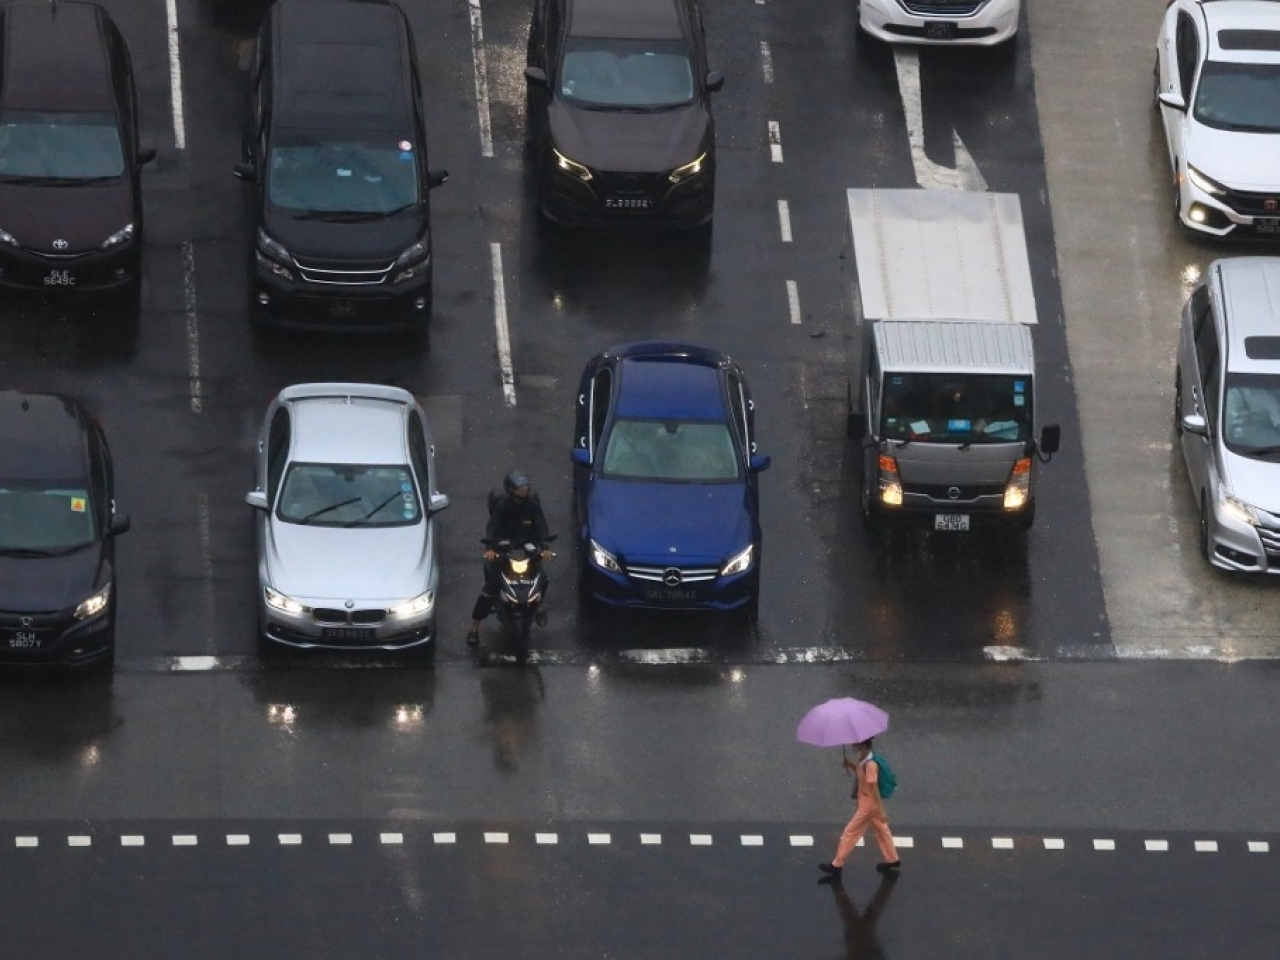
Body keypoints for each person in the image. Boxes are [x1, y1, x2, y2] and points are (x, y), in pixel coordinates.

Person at [466, 470, 552, 644]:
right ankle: (475, 627)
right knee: (490, 587)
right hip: (504, 549)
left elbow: (542, 525)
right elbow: (493, 527)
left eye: (526, 487)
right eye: (520, 488)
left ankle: (538, 605)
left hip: (527, 549)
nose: (524, 490)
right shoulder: (502, 506)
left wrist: (545, 547)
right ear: (511, 490)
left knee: (542, 578)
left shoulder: (532, 505)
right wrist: (490, 547)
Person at [819, 739, 900, 881]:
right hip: (866, 803)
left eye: (856, 744)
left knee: (850, 832)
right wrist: (849, 764)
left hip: (868, 806)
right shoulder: (864, 759)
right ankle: (893, 859)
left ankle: (837, 865)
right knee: (882, 830)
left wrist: (881, 810)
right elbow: (860, 773)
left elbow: (874, 788)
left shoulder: (871, 764)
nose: (853, 746)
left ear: (864, 745)